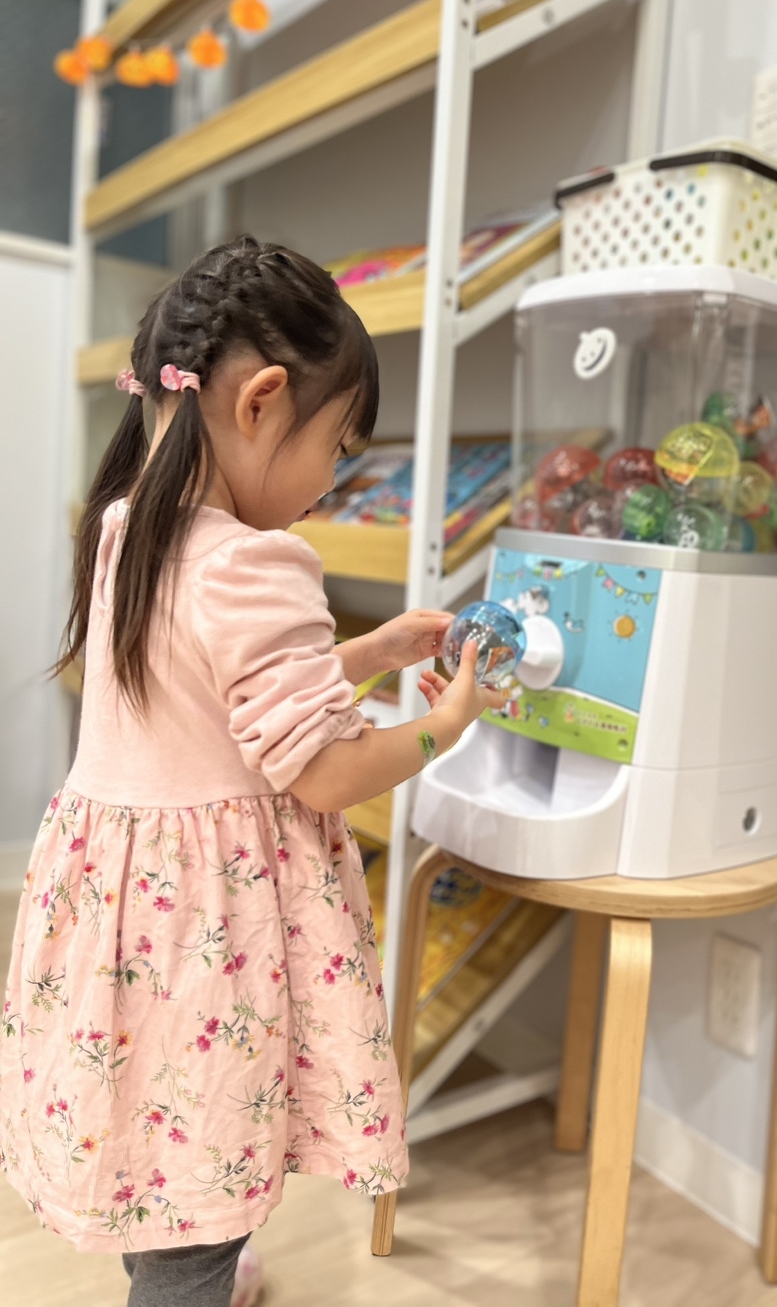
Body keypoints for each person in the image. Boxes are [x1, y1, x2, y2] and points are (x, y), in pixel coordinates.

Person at [0, 236, 501, 1307]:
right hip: (203, 934)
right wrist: (447, 723)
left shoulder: (130, 528)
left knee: (158, 1140)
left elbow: (210, 696)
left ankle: (190, 1266)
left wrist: (364, 656)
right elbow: (322, 775)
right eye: (339, 446)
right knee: (200, 1186)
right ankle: (192, 1278)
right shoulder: (256, 561)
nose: (334, 479)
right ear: (264, 402)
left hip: (117, 914)